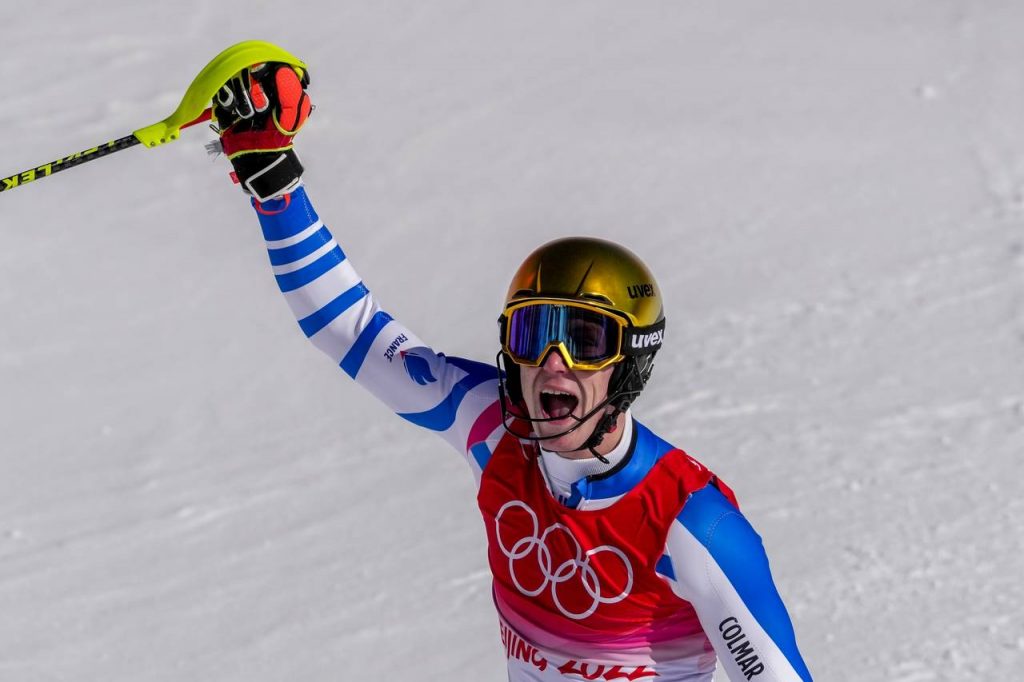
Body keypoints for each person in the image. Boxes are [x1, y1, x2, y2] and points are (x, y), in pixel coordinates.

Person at [209, 63, 813, 682]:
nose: (553, 361)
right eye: (532, 333)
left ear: (629, 364)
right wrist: (275, 187)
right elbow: (352, 330)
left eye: (585, 340)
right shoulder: (492, 427)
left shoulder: (693, 525)